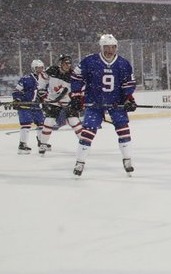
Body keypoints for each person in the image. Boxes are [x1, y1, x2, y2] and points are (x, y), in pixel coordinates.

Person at [69, 34, 137, 176]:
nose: (110, 50)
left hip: (115, 103)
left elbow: (127, 84)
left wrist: (129, 98)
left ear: (116, 48)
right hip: (94, 102)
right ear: (101, 47)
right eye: (106, 47)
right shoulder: (90, 61)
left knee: (123, 129)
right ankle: (80, 162)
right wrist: (76, 95)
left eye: (112, 47)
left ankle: (127, 159)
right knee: (88, 131)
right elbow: (76, 78)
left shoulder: (123, 63)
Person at [37, 54, 82, 155]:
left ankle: (84, 142)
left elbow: (78, 87)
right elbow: (42, 78)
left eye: (69, 63)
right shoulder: (52, 70)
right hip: (53, 100)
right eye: (66, 63)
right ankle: (43, 144)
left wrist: (77, 98)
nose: (68, 65)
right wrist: (41, 90)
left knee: (74, 121)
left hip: (67, 101)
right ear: (60, 63)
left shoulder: (73, 74)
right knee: (49, 121)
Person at [12, 59, 47, 154]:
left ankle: (41, 142)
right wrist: (17, 100)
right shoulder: (26, 78)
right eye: (38, 68)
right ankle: (22, 145)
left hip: (36, 105)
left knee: (41, 124)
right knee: (26, 124)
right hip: (25, 105)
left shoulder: (44, 79)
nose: (40, 70)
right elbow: (17, 91)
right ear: (33, 68)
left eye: (41, 68)